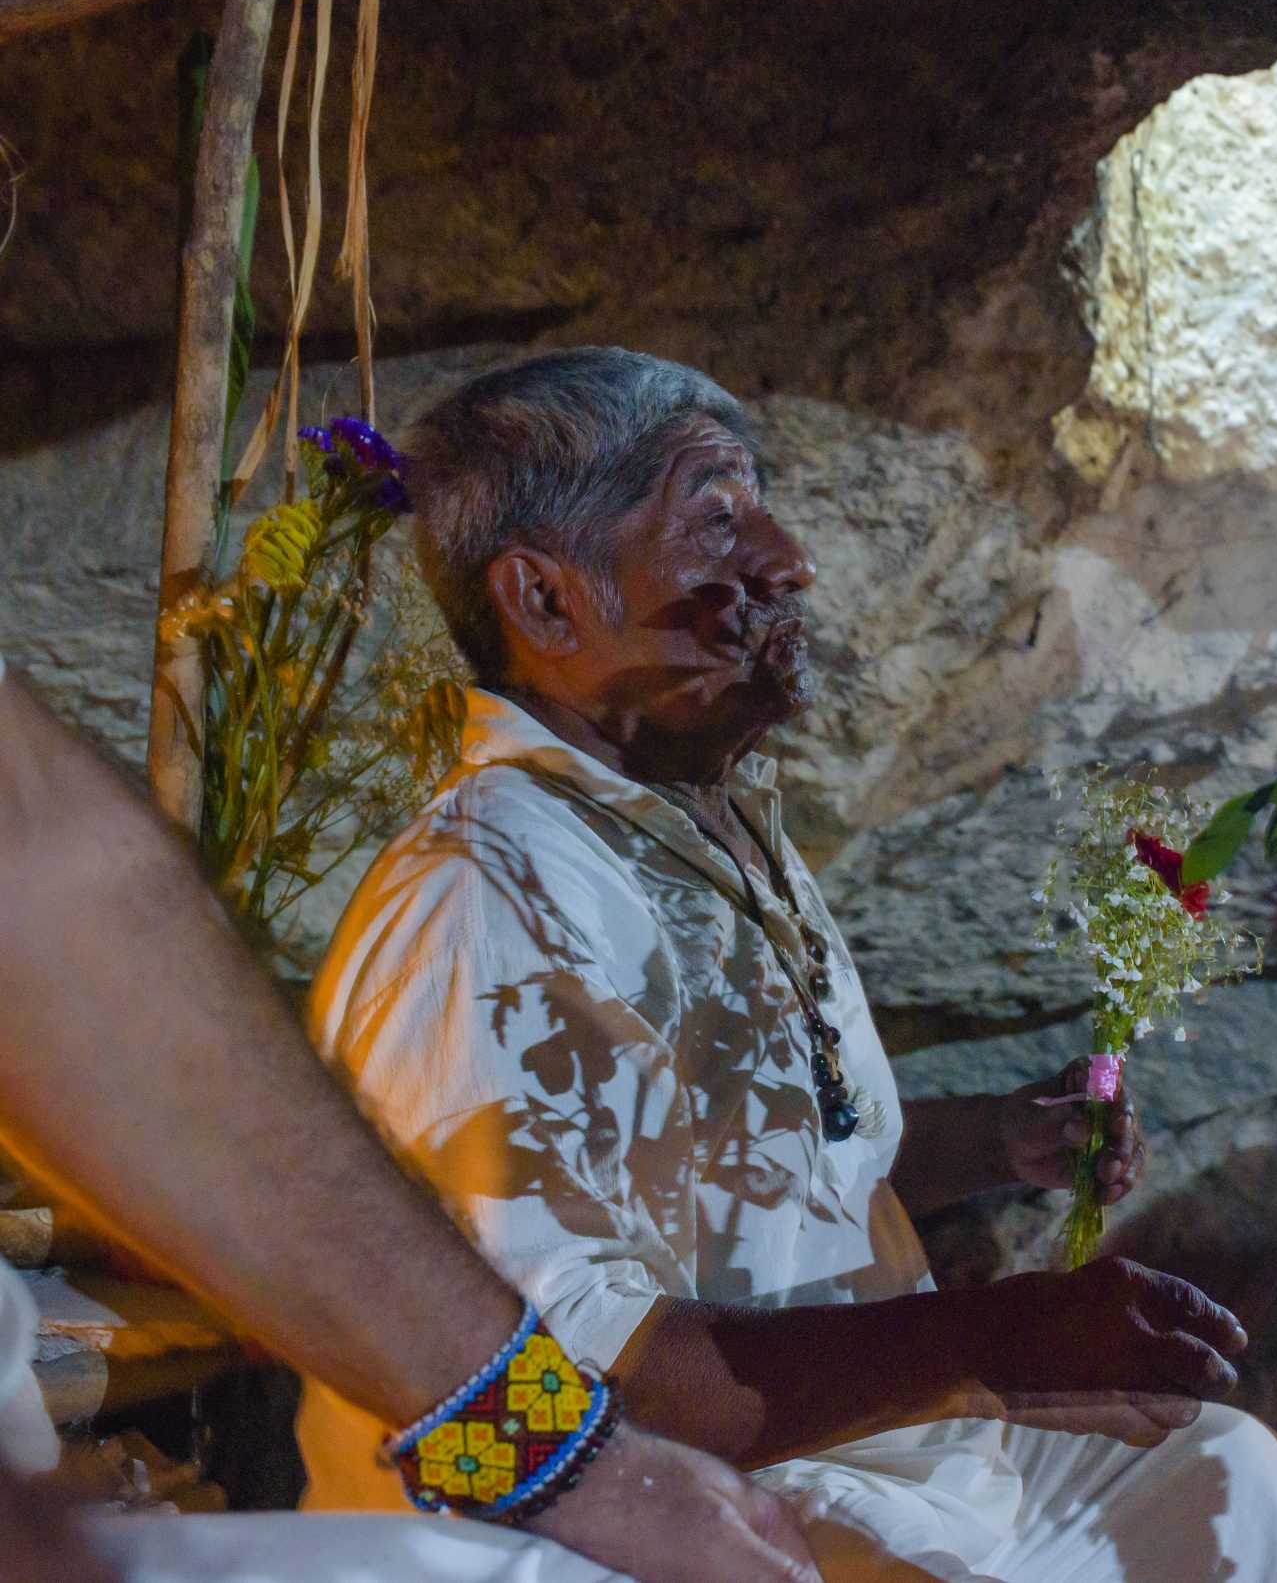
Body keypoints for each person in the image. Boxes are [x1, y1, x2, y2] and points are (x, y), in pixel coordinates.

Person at [296, 348, 1277, 1582]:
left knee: (1223, 1473)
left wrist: (1001, 1141)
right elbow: (538, 1385)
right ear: (544, 601)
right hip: (629, 1510)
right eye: (715, 520)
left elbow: (797, 1167)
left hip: (837, 1454)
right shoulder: (485, 895)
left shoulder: (701, 833)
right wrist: (995, 1337)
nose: (787, 562)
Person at [0, 659, 825, 1583]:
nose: (787, 564)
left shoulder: (740, 854)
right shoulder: (480, 889)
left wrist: (556, 1455)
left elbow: (45, 882)